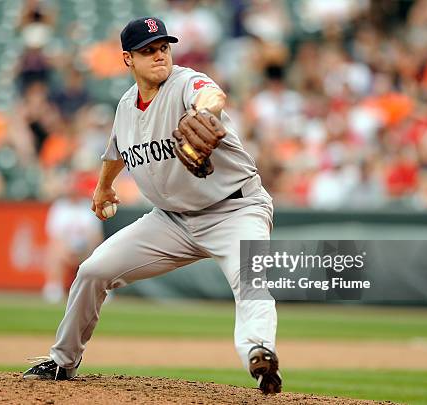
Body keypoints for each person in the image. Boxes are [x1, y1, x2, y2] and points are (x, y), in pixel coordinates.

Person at [23, 17, 281, 394]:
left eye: (164, 47)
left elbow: (213, 96)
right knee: (93, 270)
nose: (160, 55)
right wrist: (103, 188)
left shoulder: (185, 83)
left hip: (235, 210)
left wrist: (204, 113)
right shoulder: (126, 107)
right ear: (128, 59)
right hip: (170, 222)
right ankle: (63, 361)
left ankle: (260, 353)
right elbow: (115, 152)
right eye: (148, 50)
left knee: (253, 280)